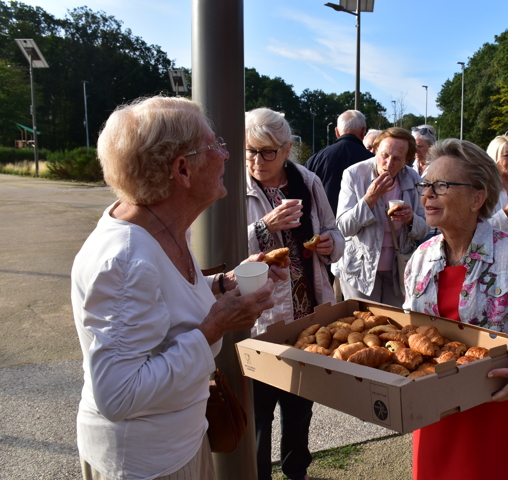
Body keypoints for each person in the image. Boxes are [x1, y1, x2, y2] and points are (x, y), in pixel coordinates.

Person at [72, 96, 279, 480]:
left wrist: (222, 283)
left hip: (178, 443)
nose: (226, 156)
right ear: (182, 170)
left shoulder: (159, 226)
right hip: (146, 464)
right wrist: (214, 327)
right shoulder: (126, 260)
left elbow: (163, 301)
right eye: (215, 145)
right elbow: (118, 395)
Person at [405, 139, 508, 480]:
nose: (427, 195)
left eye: (442, 186)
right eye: (426, 185)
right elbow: (408, 332)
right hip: (431, 409)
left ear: (477, 198)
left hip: (492, 411)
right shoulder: (420, 258)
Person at [245, 107, 344, 480]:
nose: (256, 160)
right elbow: (217, 253)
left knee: (300, 404)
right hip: (260, 317)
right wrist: (263, 226)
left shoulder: (307, 181)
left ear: (287, 149)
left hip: (306, 312)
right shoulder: (237, 185)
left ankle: (296, 470)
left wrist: (328, 245)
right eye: (250, 150)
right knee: (258, 410)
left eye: (267, 152)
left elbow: (335, 233)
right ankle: (257, 474)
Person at [333, 127, 429, 307]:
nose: (389, 163)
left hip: (398, 270)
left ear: (406, 160)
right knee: (363, 325)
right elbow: (343, 228)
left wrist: (410, 219)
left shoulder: (413, 178)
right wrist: (369, 199)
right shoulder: (354, 174)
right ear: (375, 149)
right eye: (384, 155)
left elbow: (424, 230)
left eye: (397, 159)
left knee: (394, 326)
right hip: (359, 270)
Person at [305, 110, 374, 215]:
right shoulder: (373, 160)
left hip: (325, 225)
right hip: (361, 224)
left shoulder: (315, 159)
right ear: (363, 131)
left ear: (337, 132)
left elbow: (306, 195)